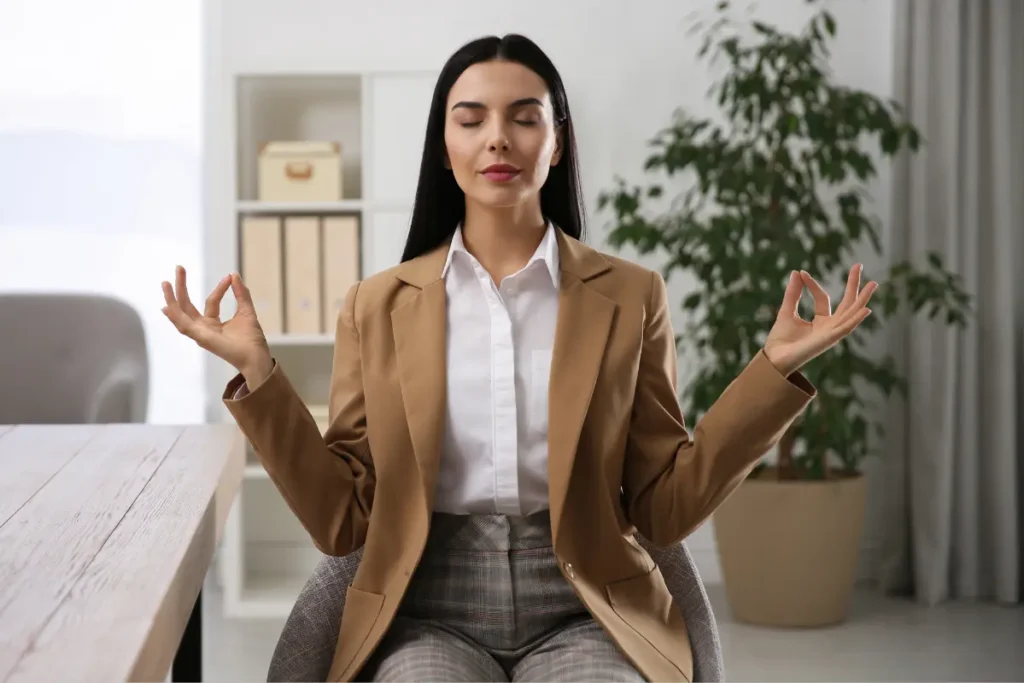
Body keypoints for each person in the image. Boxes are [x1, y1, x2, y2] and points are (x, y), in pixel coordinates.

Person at [162, 34, 876, 683]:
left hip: (585, 605)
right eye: (470, 119)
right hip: (428, 606)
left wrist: (771, 372)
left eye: (524, 117)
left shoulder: (630, 296)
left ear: (558, 141)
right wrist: (260, 374)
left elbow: (663, 504)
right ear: (444, 147)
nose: (497, 138)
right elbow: (345, 521)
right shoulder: (373, 306)